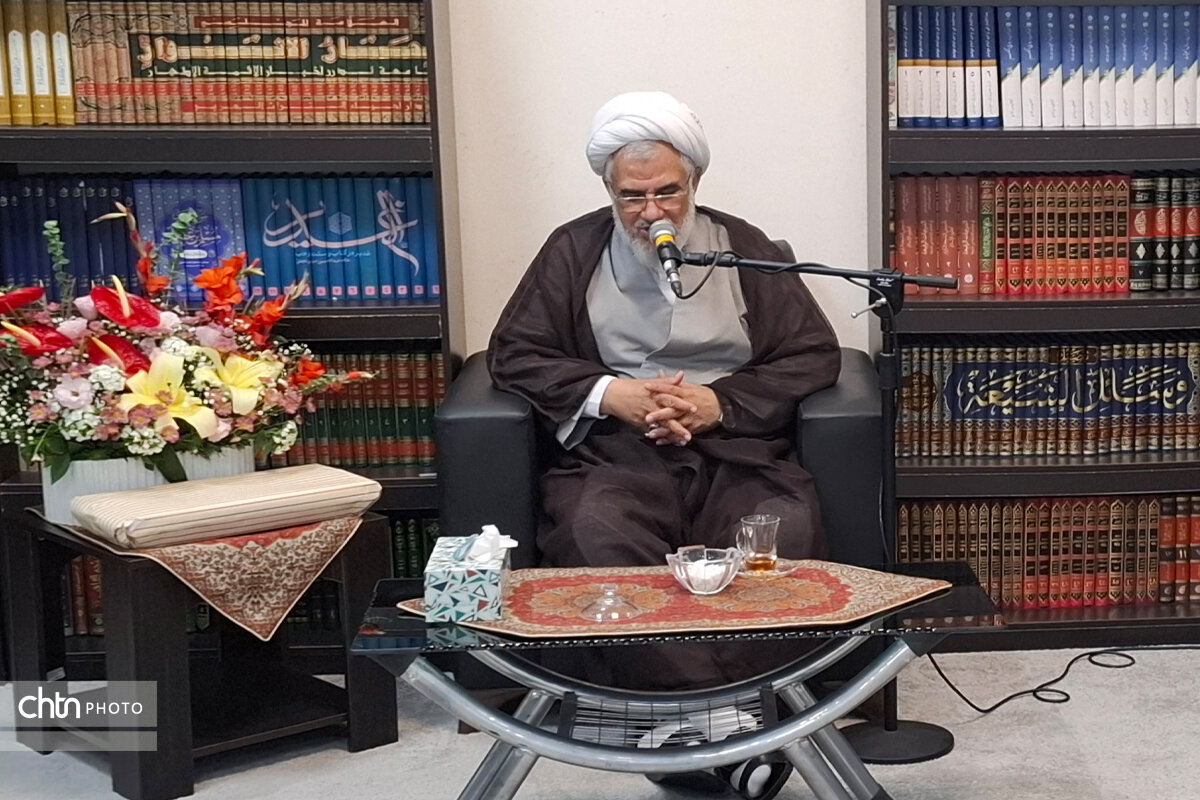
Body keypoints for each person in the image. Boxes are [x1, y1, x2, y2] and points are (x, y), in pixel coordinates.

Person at [487, 92, 841, 797]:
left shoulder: (744, 245)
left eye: (667, 192)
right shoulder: (572, 249)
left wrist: (718, 403)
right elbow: (515, 352)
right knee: (594, 533)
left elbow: (812, 353)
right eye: (632, 196)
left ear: (695, 182)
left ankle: (695, 723)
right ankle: (725, 724)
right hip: (618, 451)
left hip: (734, 448)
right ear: (608, 191)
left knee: (776, 533)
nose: (652, 211)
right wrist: (609, 392)